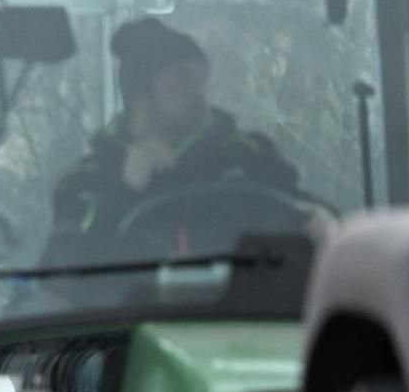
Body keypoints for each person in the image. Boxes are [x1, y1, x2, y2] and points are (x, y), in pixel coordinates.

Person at [47, 17, 306, 262]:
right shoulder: (86, 180)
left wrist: (318, 221)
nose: (197, 93)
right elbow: (65, 271)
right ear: (142, 96)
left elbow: (309, 220)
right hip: (127, 310)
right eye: (181, 78)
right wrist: (125, 191)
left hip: (247, 307)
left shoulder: (249, 157)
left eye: (201, 79)